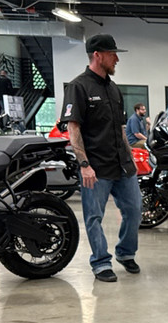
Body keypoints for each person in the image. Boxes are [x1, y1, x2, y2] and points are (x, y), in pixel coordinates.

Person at [61, 33, 143, 282]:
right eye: (112, 54)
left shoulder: (114, 89)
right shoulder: (78, 87)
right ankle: (100, 261)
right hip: (96, 166)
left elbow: (120, 129)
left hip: (122, 164)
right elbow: (73, 128)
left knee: (134, 209)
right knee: (94, 216)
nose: (117, 59)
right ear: (97, 55)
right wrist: (84, 165)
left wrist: (131, 158)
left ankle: (125, 253)